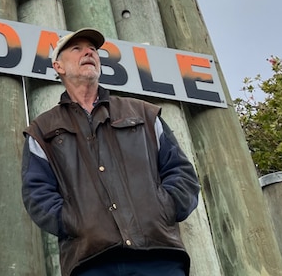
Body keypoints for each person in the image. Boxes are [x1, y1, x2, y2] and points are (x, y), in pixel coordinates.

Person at [21, 28, 200, 276]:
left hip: (159, 258)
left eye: (93, 49)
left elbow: (181, 173)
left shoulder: (142, 113)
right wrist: (75, 222)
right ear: (58, 66)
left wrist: (165, 207)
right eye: (77, 49)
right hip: (91, 263)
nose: (88, 52)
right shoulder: (43, 130)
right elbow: (37, 193)